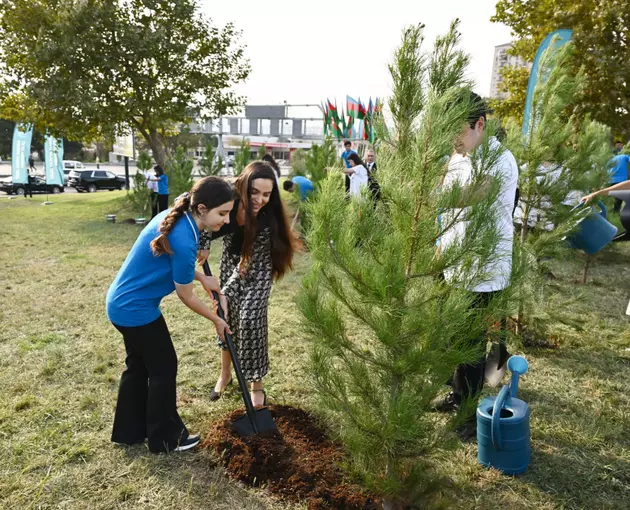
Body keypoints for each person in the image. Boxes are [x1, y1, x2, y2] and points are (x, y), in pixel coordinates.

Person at [106, 177, 235, 454]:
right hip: (135, 309)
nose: (226, 220)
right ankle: (166, 438)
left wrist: (200, 277)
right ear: (202, 208)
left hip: (121, 303)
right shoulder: (184, 236)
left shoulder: (177, 218)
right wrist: (216, 320)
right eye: (222, 213)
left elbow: (174, 262)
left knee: (139, 367)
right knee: (164, 367)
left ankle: (129, 432)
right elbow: (185, 296)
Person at [436, 92, 518, 440]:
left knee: (469, 346)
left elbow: (470, 197)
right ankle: (457, 395)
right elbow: (451, 210)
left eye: (457, 131)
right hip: (453, 261)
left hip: (483, 267)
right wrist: (440, 243)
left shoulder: (500, 160)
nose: (452, 140)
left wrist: (419, 194)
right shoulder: (458, 156)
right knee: (448, 335)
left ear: (480, 124)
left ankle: (468, 416)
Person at [198, 161, 298, 407]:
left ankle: (257, 386)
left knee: (250, 321)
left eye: (266, 194)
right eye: (254, 192)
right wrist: (204, 241)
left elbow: (247, 265)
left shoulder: (266, 218)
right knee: (226, 317)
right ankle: (225, 376)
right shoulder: (227, 200)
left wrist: (225, 291)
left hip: (256, 266)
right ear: (243, 186)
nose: (260, 199)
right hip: (230, 260)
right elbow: (193, 203)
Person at [608, 141, 629, 213]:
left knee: (614, 198)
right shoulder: (625, 156)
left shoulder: (610, 160)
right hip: (621, 180)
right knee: (619, 199)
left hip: (611, 180)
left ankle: (613, 212)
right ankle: (616, 213)